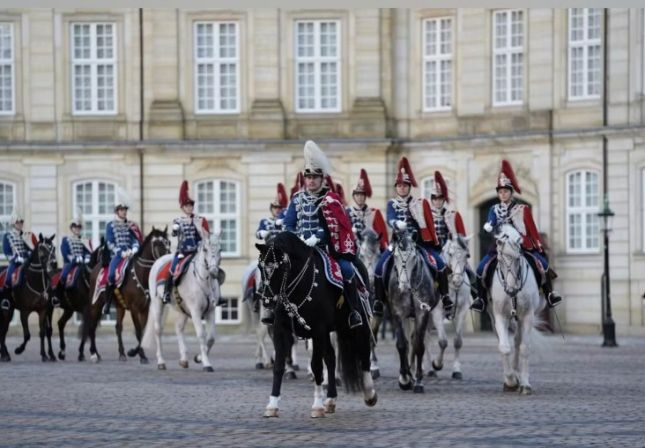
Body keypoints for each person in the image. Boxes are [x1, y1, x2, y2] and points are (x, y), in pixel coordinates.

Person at [267, 140, 365, 329]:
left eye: (314, 177)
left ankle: (353, 311)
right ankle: (273, 308)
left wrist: (317, 237)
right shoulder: (297, 199)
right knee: (275, 268)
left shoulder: (331, 200)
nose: (311, 180)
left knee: (347, 269)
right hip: (299, 248)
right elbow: (288, 224)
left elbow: (335, 227)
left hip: (325, 249)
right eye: (308, 177)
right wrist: (296, 239)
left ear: (322, 179)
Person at [471, 160, 563, 312]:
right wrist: (489, 225)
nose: (503, 194)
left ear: (511, 192)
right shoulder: (494, 209)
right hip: (500, 246)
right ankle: (480, 299)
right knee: (481, 269)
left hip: (521, 244)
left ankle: (550, 294)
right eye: (500, 192)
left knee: (543, 265)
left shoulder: (522, 209)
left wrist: (538, 245)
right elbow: (491, 221)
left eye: (506, 191)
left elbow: (532, 229)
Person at [373, 157, 453, 316]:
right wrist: (396, 222)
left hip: (417, 244)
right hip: (397, 244)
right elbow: (389, 218)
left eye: (405, 186)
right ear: (396, 187)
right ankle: (379, 301)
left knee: (440, 264)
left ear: (409, 187)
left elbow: (426, 225)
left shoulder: (419, 204)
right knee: (379, 267)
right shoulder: (392, 204)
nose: (402, 188)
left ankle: (445, 297)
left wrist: (419, 225)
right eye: (400, 186)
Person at [429, 170, 479, 308]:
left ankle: (476, 297)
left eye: (440, 198)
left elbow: (462, 236)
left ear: (443, 200)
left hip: (451, 249)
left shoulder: (453, 215)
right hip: (434, 250)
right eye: (434, 198)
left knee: (469, 270)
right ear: (432, 200)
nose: (437, 201)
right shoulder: (427, 216)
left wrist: (457, 242)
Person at [162, 181, 210, 304]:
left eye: (191, 206)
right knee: (172, 269)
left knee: (211, 268)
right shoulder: (179, 220)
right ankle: (167, 293)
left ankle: (216, 294)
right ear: (183, 208)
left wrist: (200, 228)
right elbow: (173, 233)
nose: (189, 208)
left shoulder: (199, 220)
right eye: (187, 206)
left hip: (197, 252)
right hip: (182, 252)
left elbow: (206, 236)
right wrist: (175, 229)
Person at [103, 189, 143, 315]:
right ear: (117, 211)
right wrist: (121, 253)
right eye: (121, 210)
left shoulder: (130, 225)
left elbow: (134, 239)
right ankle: (108, 302)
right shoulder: (111, 225)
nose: (124, 212)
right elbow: (110, 243)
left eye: (125, 210)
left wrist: (135, 248)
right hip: (118, 256)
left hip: (131, 254)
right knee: (110, 275)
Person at [53, 214, 91, 307]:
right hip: (70, 264)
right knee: (63, 276)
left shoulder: (83, 240)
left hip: (82, 264)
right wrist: (74, 258)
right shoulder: (66, 239)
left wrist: (86, 257)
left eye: (79, 227)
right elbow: (65, 252)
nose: (77, 229)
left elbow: (88, 251)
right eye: (75, 227)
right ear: (71, 228)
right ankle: (57, 296)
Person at [1, 210, 33, 310]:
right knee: (9, 276)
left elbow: (29, 249)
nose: (20, 224)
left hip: (25, 263)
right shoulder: (8, 236)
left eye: (21, 222)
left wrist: (29, 254)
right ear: (13, 223)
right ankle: (6, 299)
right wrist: (15, 258)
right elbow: (7, 252)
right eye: (18, 222)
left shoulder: (24, 236)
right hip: (15, 263)